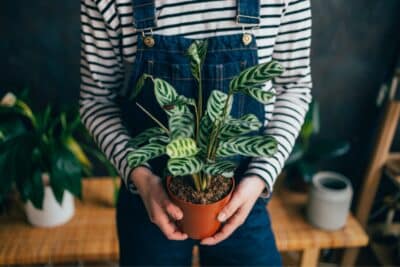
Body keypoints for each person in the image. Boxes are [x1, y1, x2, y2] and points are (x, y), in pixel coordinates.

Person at [80, 0, 312, 265]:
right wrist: (142, 179)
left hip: (242, 193)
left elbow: (294, 88)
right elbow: (96, 101)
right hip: (149, 196)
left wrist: (260, 176)